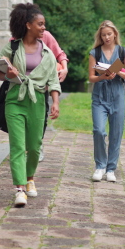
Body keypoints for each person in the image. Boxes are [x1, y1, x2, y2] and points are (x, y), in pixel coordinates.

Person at [0, 3, 61, 207]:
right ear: (28, 25)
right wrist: (8, 74)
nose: (43, 28)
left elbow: (53, 80)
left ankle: (30, 177)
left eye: (44, 24)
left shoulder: (47, 52)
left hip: (38, 101)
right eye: (40, 24)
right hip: (15, 99)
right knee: (18, 146)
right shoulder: (12, 47)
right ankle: (20, 189)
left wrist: (55, 102)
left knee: (34, 147)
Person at [88, 20, 125, 182]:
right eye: (103, 35)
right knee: (99, 131)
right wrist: (103, 76)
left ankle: (111, 169)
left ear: (115, 34)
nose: (107, 37)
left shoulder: (122, 52)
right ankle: (100, 165)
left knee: (116, 133)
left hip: (117, 97)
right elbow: (91, 77)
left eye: (109, 34)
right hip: (99, 97)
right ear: (100, 36)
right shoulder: (95, 53)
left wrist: (118, 72)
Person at [39, 31, 69, 162]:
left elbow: (60, 54)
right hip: (20, 87)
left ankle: (36, 146)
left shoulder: (45, 36)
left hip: (41, 88)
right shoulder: (16, 38)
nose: (42, 27)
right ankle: (24, 147)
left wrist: (65, 68)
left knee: (40, 119)